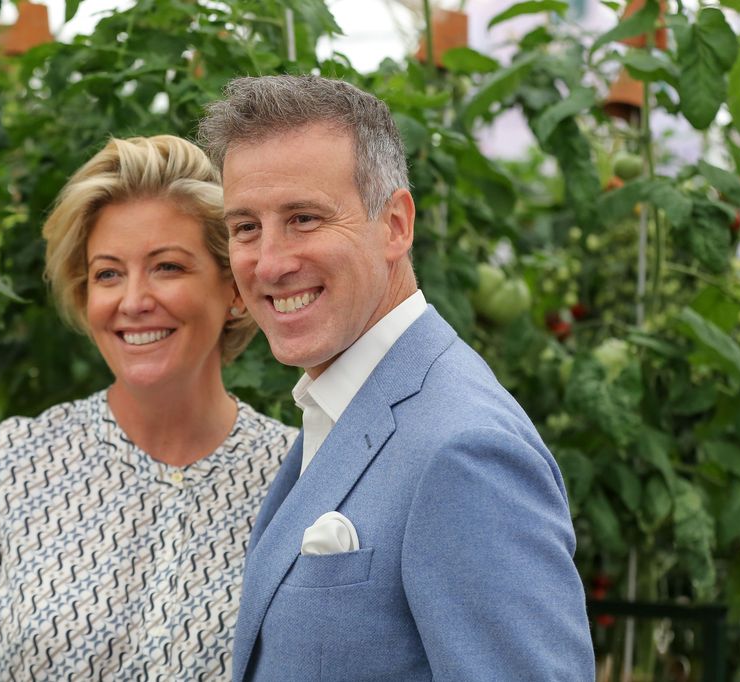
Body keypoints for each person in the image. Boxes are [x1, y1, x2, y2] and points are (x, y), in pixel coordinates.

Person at [198, 75, 594, 681]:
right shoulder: (346, 402)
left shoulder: (464, 449)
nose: (270, 262)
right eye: (246, 227)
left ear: (395, 225)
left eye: (304, 218)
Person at [0, 135, 296, 680]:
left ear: (235, 287)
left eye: (167, 267)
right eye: (108, 273)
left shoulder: (295, 479)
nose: (134, 301)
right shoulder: (1, 468)